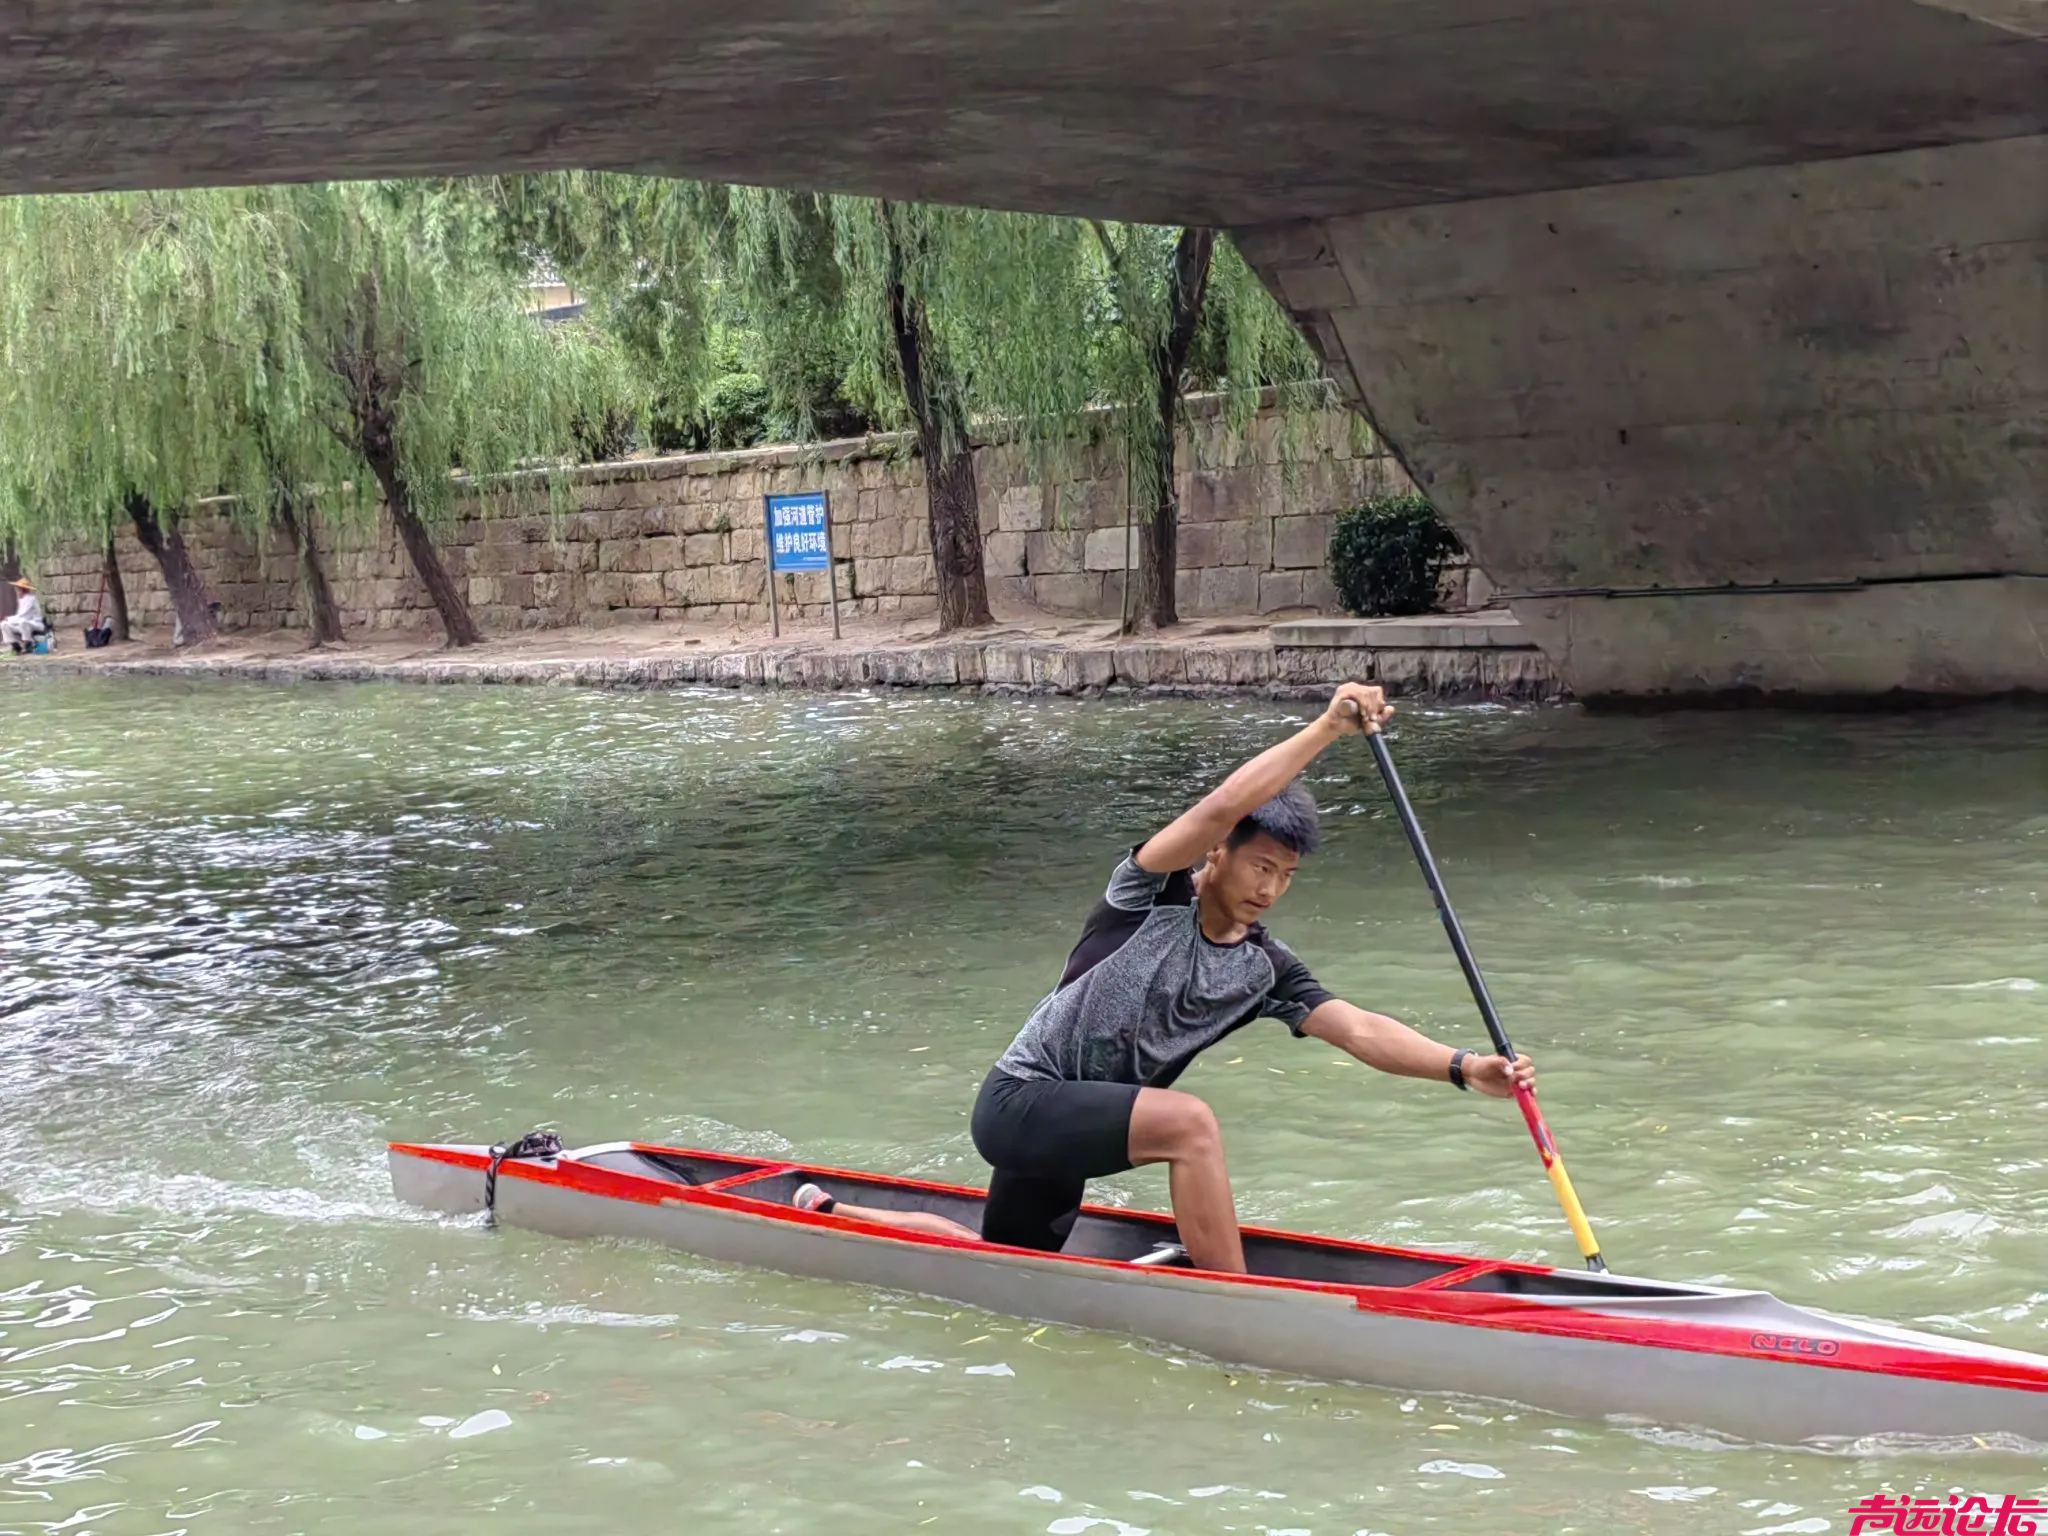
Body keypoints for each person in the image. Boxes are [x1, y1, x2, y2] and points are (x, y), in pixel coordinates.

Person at [793, 682, 1537, 1269]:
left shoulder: (1261, 969)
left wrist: (1467, 1069)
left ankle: (830, 1214)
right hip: (1020, 1102)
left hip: (1071, 1128)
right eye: (1258, 864)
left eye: (1286, 875)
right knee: (1191, 1124)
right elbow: (1222, 806)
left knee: (1011, 1262)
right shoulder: (1143, 896)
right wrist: (1326, 730)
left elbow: (1359, 1029)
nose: (1269, 887)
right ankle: (1232, 1305)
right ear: (1216, 857)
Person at [3, 577, 47, 653]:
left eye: (18, 589)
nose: (16, 591)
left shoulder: (31, 599)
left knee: (23, 623)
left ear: (22, 590)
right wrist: (7, 620)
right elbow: (19, 616)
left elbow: (23, 615)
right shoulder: (21, 600)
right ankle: (15, 646)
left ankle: (27, 645)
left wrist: (9, 619)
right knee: (4, 625)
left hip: (34, 623)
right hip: (22, 622)